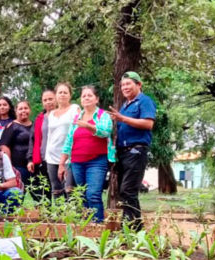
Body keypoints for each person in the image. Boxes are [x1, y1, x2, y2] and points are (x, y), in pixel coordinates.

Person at [107, 71, 156, 230]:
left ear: (139, 85)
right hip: (123, 153)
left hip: (136, 151)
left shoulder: (144, 101)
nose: (125, 87)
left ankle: (132, 229)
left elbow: (148, 124)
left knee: (128, 190)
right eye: (122, 85)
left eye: (128, 84)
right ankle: (134, 227)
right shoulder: (125, 105)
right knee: (126, 192)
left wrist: (122, 118)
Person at [58, 85, 113, 222]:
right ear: (81, 100)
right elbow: (69, 141)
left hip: (97, 161)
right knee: (82, 195)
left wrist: (88, 126)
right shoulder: (77, 117)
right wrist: (62, 163)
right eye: (84, 96)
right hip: (76, 162)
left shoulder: (102, 115)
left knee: (93, 194)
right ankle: (88, 228)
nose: (86, 98)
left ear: (96, 99)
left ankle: (98, 228)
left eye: (90, 95)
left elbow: (106, 131)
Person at [45, 82, 80, 200]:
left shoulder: (74, 109)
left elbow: (78, 130)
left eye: (65, 92)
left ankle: (74, 217)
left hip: (69, 155)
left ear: (70, 95)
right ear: (56, 95)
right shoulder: (51, 114)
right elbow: (50, 135)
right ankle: (60, 218)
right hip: (51, 156)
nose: (62, 95)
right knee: (56, 190)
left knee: (70, 189)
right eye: (60, 92)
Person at [27, 89, 56, 202]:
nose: (48, 102)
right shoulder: (40, 119)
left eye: (50, 99)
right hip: (43, 160)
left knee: (61, 190)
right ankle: (46, 217)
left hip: (60, 159)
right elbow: (33, 140)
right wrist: (30, 159)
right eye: (45, 100)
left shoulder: (64, 116)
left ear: (56, 99)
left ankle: (64, 217)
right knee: (43, 191)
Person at [0, 100, 32, 198]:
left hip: (33, 165)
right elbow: (4, 146)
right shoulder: (11, 126)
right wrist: (10, 167)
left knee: (39, 193)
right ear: (16, 111)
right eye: (20, 109)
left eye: (25, 108)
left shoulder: (34, 125)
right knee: (18, 195)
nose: (23, 111)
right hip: (18, 167)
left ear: (30, 110)